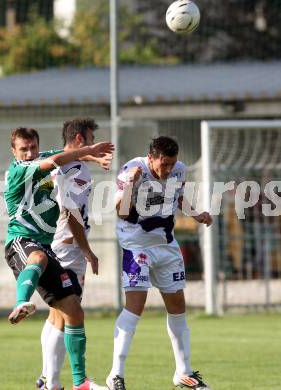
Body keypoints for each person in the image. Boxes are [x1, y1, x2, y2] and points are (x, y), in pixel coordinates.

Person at [4, 126, 113, 390]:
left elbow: (64, 153)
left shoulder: (41, 157)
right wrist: (89, 150)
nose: (29, 153)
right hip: (20, 241)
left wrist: (92, 158)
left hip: (46, 246)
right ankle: (21, 303)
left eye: (33, 148)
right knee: (38, 257)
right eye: (23, 149)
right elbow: (55, 161)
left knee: (73, 308)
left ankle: (79, 383)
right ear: (14, 152)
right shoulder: (18, 170)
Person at [106, 136, 213, 390]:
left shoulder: (179, 170)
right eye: (162, 165)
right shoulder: (132, 170)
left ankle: (183, 373)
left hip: (166, 245)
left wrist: (197, 213)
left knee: (177, 305)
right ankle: (115, 374)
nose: (167, 170)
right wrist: (131, 185)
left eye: (171, 164)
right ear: (151, 157)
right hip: (136, 244)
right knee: (136, 304)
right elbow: (120, 212)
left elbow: (178, 197)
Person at [36, 118, 112, 390]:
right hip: (68, 248)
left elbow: (65, 160)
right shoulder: (77, 170)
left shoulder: (55, 164)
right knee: (69, 311)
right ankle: (65, 382)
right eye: (91, 139)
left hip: (50, 242)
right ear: (79, 139)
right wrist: (88, 251)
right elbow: (72, 214)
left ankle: (47, 378)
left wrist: (91, 157)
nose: (94, 144)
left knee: (56, 313)